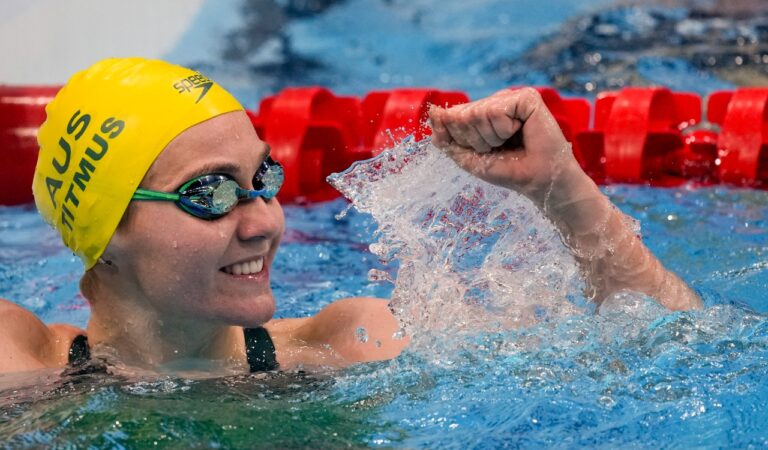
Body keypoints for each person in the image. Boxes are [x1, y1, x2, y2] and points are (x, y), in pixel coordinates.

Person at [0, 58, 702, 375]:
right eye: (209, 193)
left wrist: (563, 191)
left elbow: (673, 354)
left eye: (263, 179)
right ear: (104, 235)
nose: (264, 221)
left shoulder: (346, 346)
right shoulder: (22, 361)